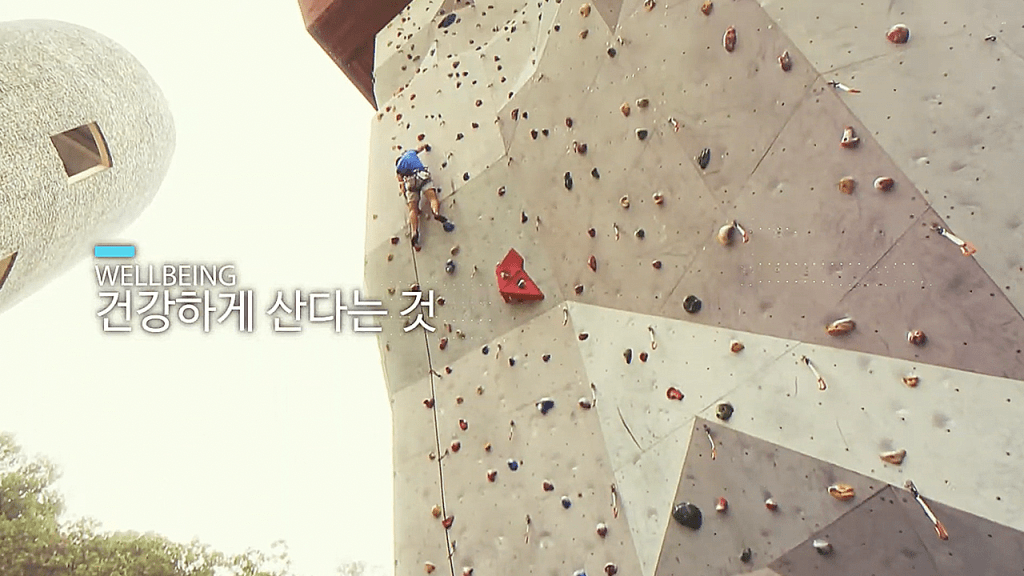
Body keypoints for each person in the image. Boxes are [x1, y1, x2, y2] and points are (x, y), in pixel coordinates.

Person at [396, 144, 452, 247]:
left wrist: (407, 198)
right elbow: (421, 147)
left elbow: (401, 185)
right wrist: (427, 147)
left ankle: (414, 231)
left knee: (412, 210)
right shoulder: (410, 153)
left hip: (410, 182)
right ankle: (436, 212)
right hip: (421, 175)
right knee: (432, 198)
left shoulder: (399, 168)